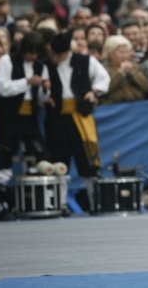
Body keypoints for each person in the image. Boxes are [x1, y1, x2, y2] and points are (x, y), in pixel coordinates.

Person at [44, 32, 110, 212]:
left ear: (67, 52)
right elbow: (41, 89)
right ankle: (60, 204)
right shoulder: (46, 65)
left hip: (81, 116)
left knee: (87, 160)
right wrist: (44, 96)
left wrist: (94, 92)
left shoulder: (84, 61)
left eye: (58, 55)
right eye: (53, 55)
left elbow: (104, 78)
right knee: (59, 161)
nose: (55, 58)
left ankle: (95, 202)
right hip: (57, 118)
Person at [0, 32, 50, 186]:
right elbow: (2, 88)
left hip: (30, 117)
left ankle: (35, 193)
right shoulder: (7, 61)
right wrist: (26, 82)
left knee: (38, 153)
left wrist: (45, 90)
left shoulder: (40, 66)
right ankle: (2, 198)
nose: (33, 56)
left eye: (36, 53)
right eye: (30, 52)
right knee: (4, 155)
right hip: (8, 116)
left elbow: (40, 99)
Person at [100, 35, 148, 105]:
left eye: (127, 52)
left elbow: (146, 87)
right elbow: (104, 89)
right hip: (114, 108)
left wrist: (132, 74)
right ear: (110, 55)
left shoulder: (135, 67)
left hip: (137, 106)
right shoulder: (103, 69)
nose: (125, 55)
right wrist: (120, 73)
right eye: (121, 52)